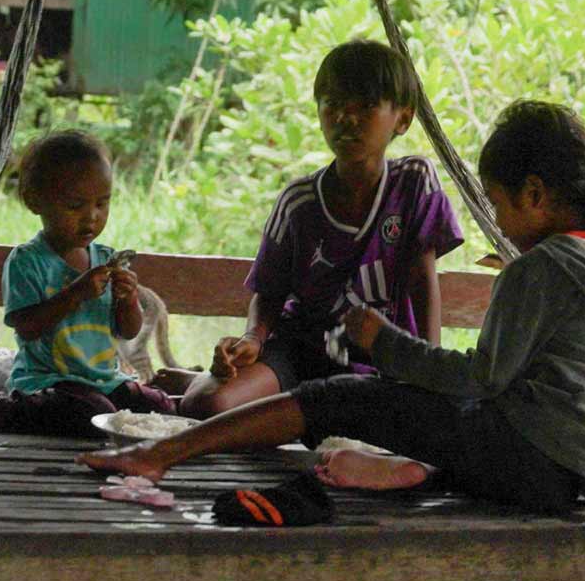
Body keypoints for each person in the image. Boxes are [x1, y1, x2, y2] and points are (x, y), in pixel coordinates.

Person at [79, 100, 585, 514]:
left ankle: (160, 453)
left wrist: (386, 343)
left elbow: (481, 380)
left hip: (531, 464)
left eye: (500, 204)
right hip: (577, 477)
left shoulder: (542, 269)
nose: (498, 222)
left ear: (534, 194)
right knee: (387, 406)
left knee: (339, 398)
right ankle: (413, 467)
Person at [165, 39, 464, 417]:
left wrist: (427, 367)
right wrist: (253, 339)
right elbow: (269, 293)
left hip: (383, 359)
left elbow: (423, 280)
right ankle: (202, 384)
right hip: (300, 354)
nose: (346, 118)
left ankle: (281, 409)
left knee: (379, 419)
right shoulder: (298, 202)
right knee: (205, 404)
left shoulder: (413, 183)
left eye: (366, 106)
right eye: (333, 104)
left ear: (403, 119)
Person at [0, 130, 178, 437]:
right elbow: (26, 327)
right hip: (49, 381)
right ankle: (6, 411)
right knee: (94, 413)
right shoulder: (27, 261)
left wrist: (128, 299)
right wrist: (75, 293)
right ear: (35, 202)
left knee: (161, 407)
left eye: (102, 204)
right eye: (75, 206)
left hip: (104, 379)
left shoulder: (105, 259)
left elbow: (128, 330)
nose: (91, 217)